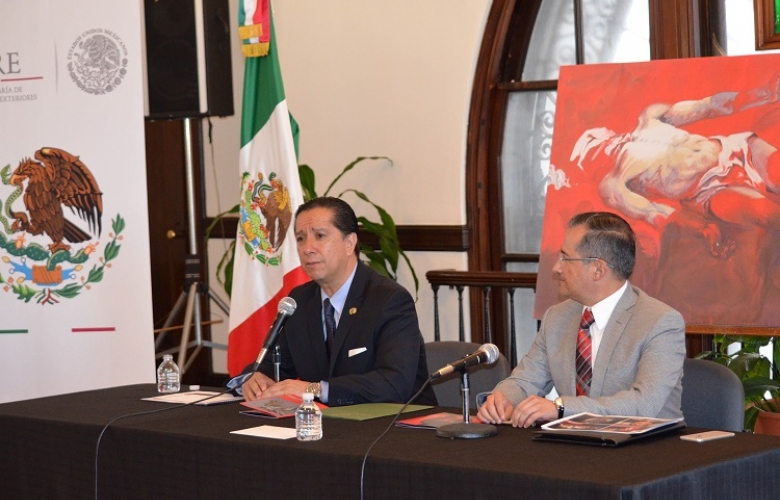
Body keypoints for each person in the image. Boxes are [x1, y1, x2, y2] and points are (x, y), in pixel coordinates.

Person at [477, 212, 685, 428]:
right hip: (577, 445)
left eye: (565, 258)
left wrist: (561, 408)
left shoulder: (660, 322)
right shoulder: (557, 317)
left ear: (597, 270)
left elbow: (644, 404)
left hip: (648, 450)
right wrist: (503, 397)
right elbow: (525, 380)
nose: (556, 268)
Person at [229, 196, 437, 407]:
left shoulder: (388, 300)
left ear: (349, 243)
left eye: (319, 236)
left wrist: (314, 389)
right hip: (327, 427)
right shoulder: (299, 301)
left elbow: (394, 383)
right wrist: (255, 380)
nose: (308, 248)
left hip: (396, 427)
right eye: (301, 239)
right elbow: (275, 367)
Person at [570, 74, 780, 257]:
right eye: (590, 151)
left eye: (595, 140)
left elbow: (706, 106)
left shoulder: (650, 118)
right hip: (709, 192)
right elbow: (655, 213)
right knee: (767, 214)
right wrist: (702, 229)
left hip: (735, 149)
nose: (600, 147)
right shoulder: (614, 184)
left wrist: (764, 94)